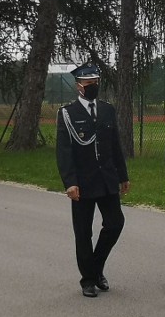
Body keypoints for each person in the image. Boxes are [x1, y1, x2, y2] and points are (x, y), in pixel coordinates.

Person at [55, 63, 129, 298]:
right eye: (89, 84)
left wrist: (123, 175)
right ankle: (88, 279)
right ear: (79, 86)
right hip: (83, 182)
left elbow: (115, 145)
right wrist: (70, 182)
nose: (93, 86)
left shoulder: (107, 110)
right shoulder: (67, 114)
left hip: (107, 179)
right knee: (83, 232)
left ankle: (96, 268)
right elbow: (64, 151)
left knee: (115, 223)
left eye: (96, 82)